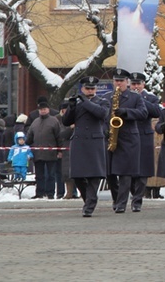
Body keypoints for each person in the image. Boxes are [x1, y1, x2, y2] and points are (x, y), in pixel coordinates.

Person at [62, 76, 110, 217]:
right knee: (78, 175)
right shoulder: (77, 103)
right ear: (82, 89)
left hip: (95, 142)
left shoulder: (102, 102)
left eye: (92, 88)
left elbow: (102, 114)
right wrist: (71, 107)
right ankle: (88, 200)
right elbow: (66, 122)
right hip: (79, 141)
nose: (90, 91)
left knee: (94, 175)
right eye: (87, 88)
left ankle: (90, 204)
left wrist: (84, 102)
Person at [105, 68, 148, 213]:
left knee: (125, 172)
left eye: (121, 81)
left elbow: (143, 113)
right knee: (110, 173)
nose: (119, 83)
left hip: (129, 138)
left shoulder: (135, 97)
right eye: (116, 80)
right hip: (111, 137)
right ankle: (116, 199)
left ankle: (122, 203)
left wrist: (126, 112)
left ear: (127, 82)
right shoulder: (106, 97)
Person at [129, 71, 163, 212]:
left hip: (144, 136)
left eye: (138, 84)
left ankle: (137, 200)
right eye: (133, 84)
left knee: (143, 170)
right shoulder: (125, 97)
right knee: (129, 169)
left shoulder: (151, 98)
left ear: (143, 84)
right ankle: (132, 193)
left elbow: (156, 112)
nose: (136, 86)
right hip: (129, 135)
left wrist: (140, 100)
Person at [27, 98, 63, 199]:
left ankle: (50, 193)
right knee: (39, 175)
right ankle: (39, 193)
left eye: (45, 109)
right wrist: (25, 145)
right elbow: (30, 136)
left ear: (48, 110)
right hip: (38, 153)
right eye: (41, 109)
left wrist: (59, 150)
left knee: (51, 175)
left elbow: (59, 137)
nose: (43, 111)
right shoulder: (35, 122)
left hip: (51, 153)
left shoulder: (54, 121)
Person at [57, 102, 79, 199]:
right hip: (66, 148)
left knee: (80, 172)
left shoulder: (77, 118)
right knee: (67, 173)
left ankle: (82, 192)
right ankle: (69, 192)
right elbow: (62, 134)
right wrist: (71, 128)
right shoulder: (61, 120)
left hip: (79, 147)